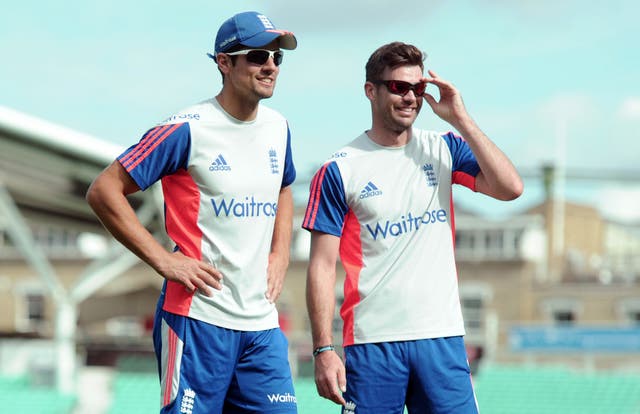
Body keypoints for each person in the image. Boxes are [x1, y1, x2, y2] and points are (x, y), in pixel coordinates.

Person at [86, 11, 299, 414]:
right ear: (224, 62)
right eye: (257, 56)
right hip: (197, 319)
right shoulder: (186, 128)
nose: (270, 66)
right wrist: (165, 261)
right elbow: (104, 190)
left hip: (261, 325)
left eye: (277, 57)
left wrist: (281, 252)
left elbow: (285, 186)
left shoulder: (279, 127)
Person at [303, 41, 523, 413]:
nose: (410, 98)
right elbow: (322, 266)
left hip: (442, 339)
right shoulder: (340, 169)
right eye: (398, 87)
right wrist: (324, 349)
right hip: (373, 344)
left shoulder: (444, 147)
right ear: (370, 90)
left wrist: (460, 119)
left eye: (418, 88)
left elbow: (510, 187)